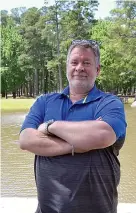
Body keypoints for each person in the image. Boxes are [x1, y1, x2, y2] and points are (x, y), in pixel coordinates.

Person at [19, 40, 127, 213]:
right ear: (67, 66)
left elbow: (104, 135)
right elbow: (26, 140)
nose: (79, 68)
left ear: (97, 70)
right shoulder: (45, 102)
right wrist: (78, 143)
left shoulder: (109, 103)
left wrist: (49, 127)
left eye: (86, 63)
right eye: (74, 62)